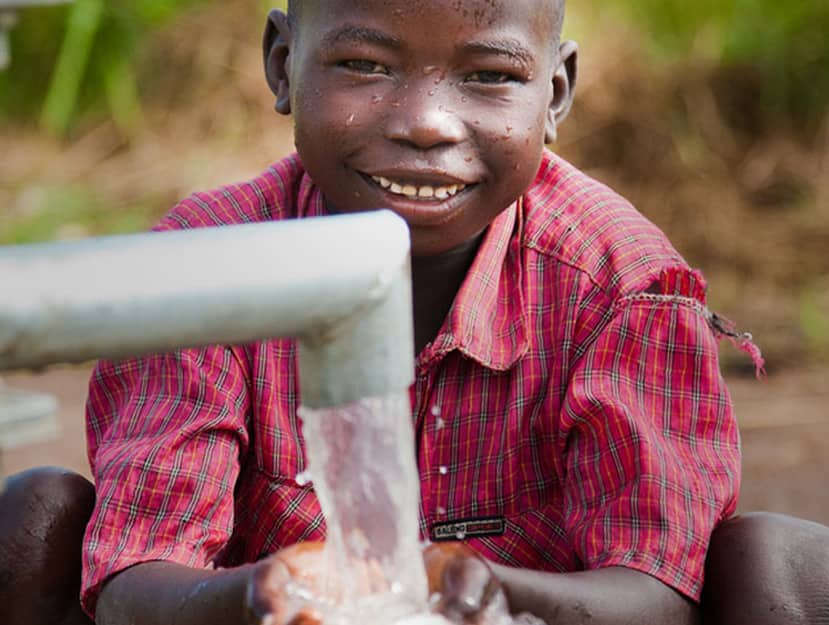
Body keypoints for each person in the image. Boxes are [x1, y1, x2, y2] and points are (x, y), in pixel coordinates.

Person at [1, 1, 828, 624]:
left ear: (555, 91)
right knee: (34, 520)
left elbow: (658, 589)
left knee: (777, 562)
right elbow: (132, 573)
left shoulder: (620, 286)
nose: (426, 123)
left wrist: (489, 593)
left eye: (490, 76)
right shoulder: (205, 266)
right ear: (283, 63)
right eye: (364, 65)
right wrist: (261, 593)